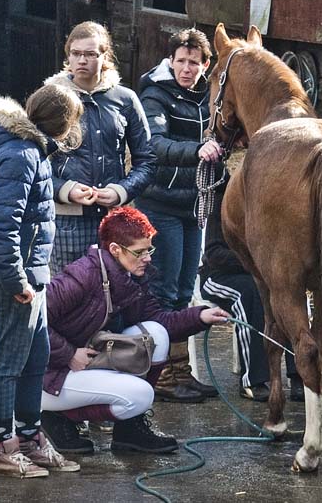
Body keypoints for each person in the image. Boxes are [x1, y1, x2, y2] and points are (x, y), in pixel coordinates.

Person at [40, 207, 230, 454]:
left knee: (156, 335)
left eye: (149, 250)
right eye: (140, 252)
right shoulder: (81, 275)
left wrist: (201, 316)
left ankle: (130, 432)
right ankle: (56, 419)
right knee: (140, 395)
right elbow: (32, 322)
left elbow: (160, 321)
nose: (148, 258)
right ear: (115, 250)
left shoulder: (131, 276)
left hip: (84, 360)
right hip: (46, 378)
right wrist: (67, 354)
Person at [0, 84, 84, 478]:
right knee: (9, 361)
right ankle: (1, 446)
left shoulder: (31, 151)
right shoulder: (22, 155)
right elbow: (2, 226)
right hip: (12, 276)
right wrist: (18, 280)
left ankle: (31, 437)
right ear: (65, 124)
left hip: (30, 273)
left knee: (36, 356)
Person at [135, 28, 225, 403]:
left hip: (194, 204)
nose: (186, 68)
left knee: (186, 291)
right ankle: (162, 374)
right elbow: (154, 144)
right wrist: (197, 150)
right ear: (170, 60)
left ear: (206, 65)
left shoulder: (210, 95)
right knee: (165, 290)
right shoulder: (155, 93)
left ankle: (180, 370)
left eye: (194, 62)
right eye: (181, 61)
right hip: (161, 202)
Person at [45, 21, 156, 274]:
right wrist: (65, 189)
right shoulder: (51, 98)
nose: (82, 60)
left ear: (104, 56)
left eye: (90, 54)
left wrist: (121, 191)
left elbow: (147, 160)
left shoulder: (124, 99)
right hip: (65, 221)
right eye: (76, 53)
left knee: (115, 295)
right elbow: (32, 163)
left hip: (112, 219)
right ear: (68, 56)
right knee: (67, 297)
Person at [198, 174, 305, 403]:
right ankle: (252, 379)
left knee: (290, 296)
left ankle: (299, 375)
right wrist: (259, 263)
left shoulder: (275, 207)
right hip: (219, 277)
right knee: (250, 294)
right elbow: (214, 254)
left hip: (262, 275)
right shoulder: (224, 199)